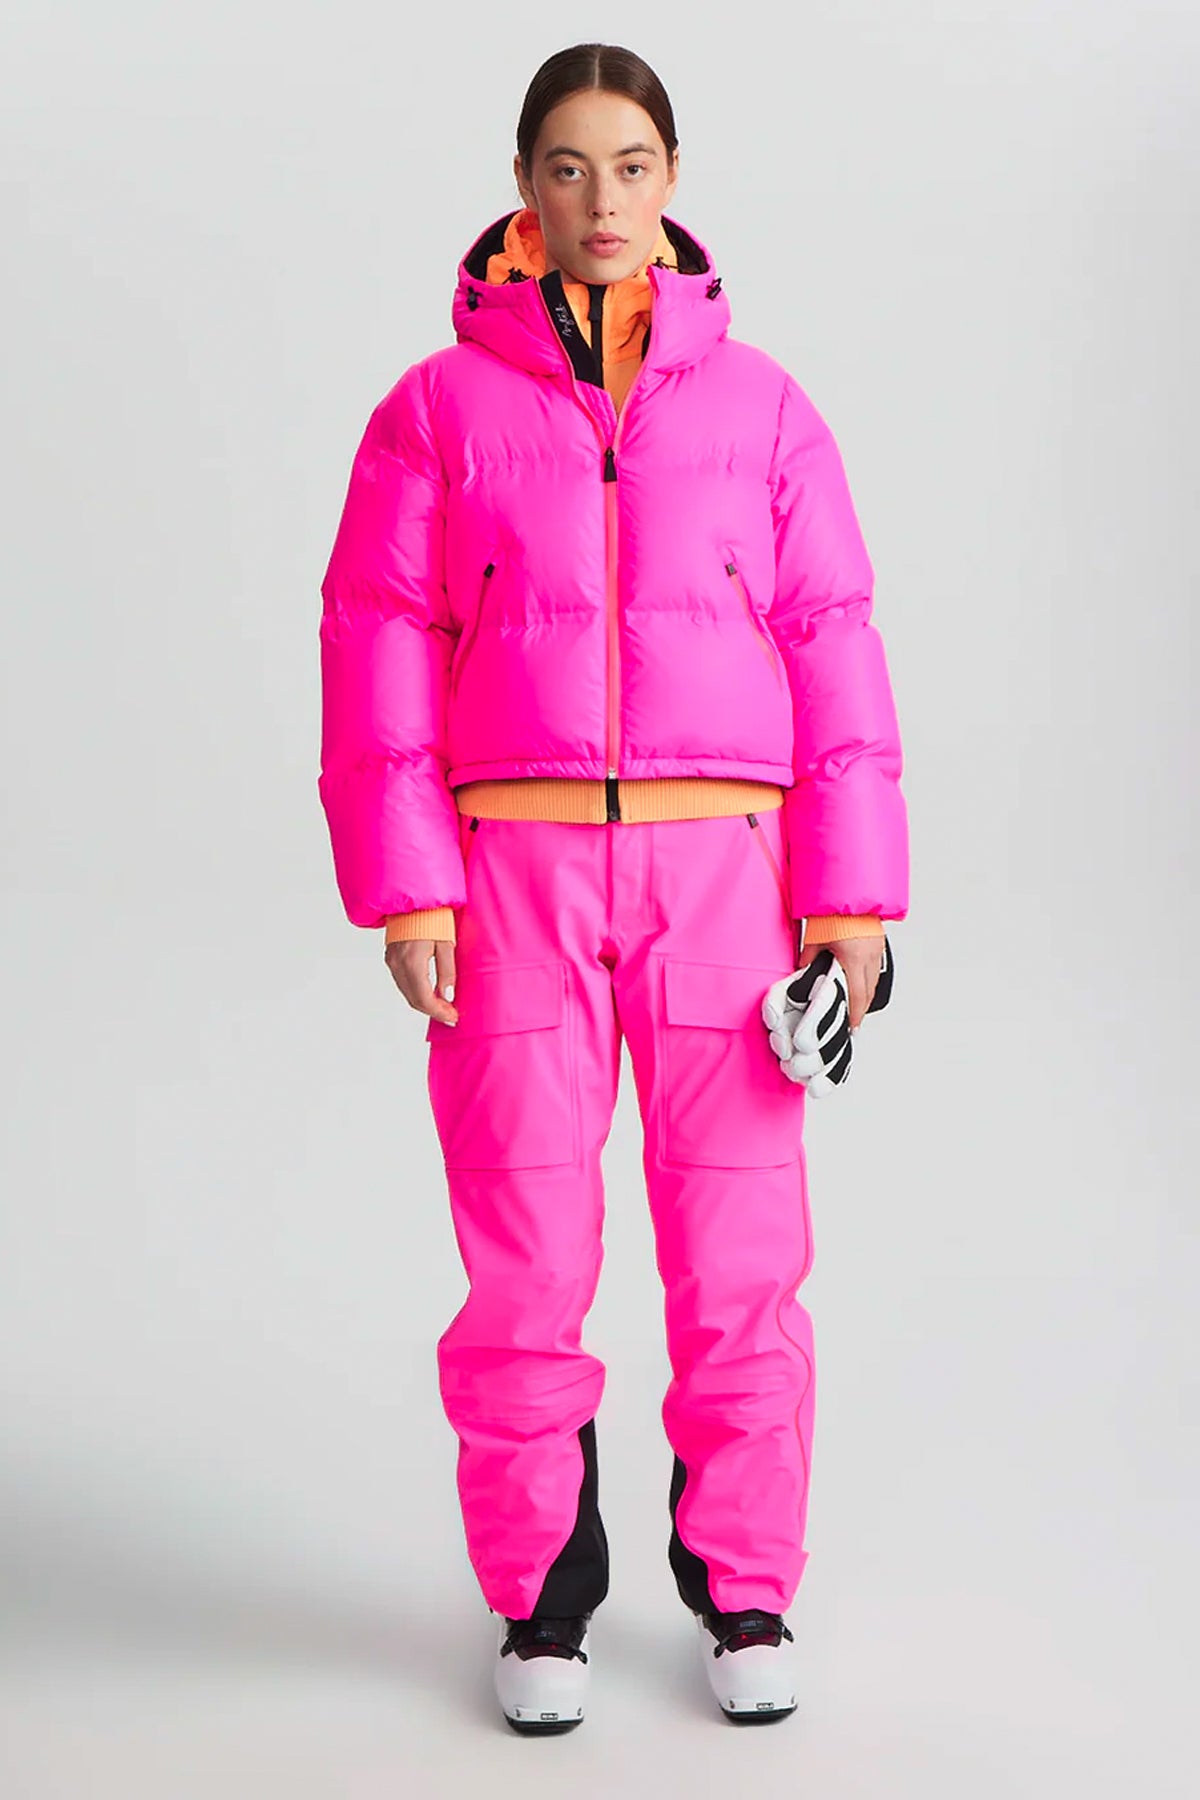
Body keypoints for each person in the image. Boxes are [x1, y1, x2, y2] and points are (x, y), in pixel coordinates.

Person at [317, 42, 909, 1732]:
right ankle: (541, 1604)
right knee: (525, 1259)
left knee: (740, 1255)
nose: (602, 199)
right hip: (512, 873)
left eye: (632, 165)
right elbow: (379, 649)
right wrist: (409, 893)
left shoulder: (765, 408)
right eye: (568, 168)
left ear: (673, 180)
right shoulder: (433, 412)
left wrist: (851, 912)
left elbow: (835, 651)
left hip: (727, 874)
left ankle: (747, 1591)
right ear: (524, 187)